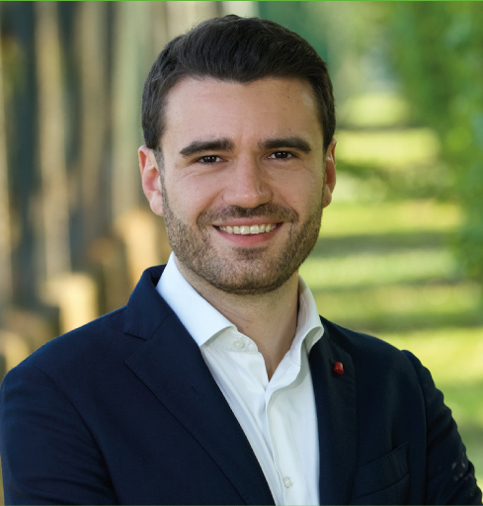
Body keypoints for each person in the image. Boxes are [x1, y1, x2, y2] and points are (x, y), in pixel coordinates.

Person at [0, 14, 481, 506]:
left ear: (328, 174)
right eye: (209, 158)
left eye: (281, 154)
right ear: (153, 180)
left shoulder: (399, 388)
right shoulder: (57, 397)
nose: (248, 194)